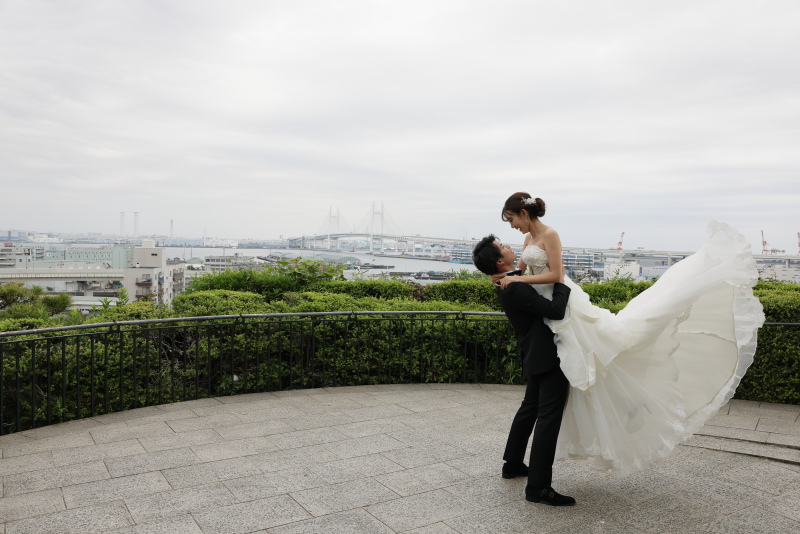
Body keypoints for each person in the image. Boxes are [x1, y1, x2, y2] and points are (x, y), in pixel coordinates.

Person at [492, 192, 765, 476]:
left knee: (605, 352)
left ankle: (631, 406)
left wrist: (517, 278)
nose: (512, 226)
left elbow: (556, 275)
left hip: (564, 303)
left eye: (511, 219)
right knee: (566, 376)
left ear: (524, 214)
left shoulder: (551, 234)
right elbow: (519, 269)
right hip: (548, 310)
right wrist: (504, 277)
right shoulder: (526, 241)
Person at [472, 235, 575, 506]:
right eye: (504, 247)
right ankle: (538, 487)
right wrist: (561, 280)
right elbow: (555, 310)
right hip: (548, 357)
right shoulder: (514, 287)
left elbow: (520, 271)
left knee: (529, 409)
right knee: (548, 420)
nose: (509, 246)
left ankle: (513, 464)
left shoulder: (508, 280)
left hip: (533, 355)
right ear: (499, 260)